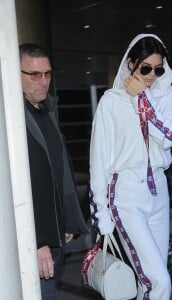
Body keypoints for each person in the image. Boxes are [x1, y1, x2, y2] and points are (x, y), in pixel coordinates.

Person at [89, 33, 172, 299]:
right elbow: (98, 161)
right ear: (130, 63)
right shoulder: (111, 102)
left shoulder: (163, 96)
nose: (152, 75)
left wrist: (143, 99)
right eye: (145, 68)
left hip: (159, 190)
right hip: (127, 195)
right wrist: (102, 216)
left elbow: (170, 137)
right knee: (159, 281)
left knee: (149, 280)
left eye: (158, 68)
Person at [19, 43, 87, 300]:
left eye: (47, 74)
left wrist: (67, 218)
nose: (43, 81)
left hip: (56, 237)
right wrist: (36, 242)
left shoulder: (47, 113)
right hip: (36, 242)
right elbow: (22, 189)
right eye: (34, 74)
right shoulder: (13, 120)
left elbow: (59, 173)